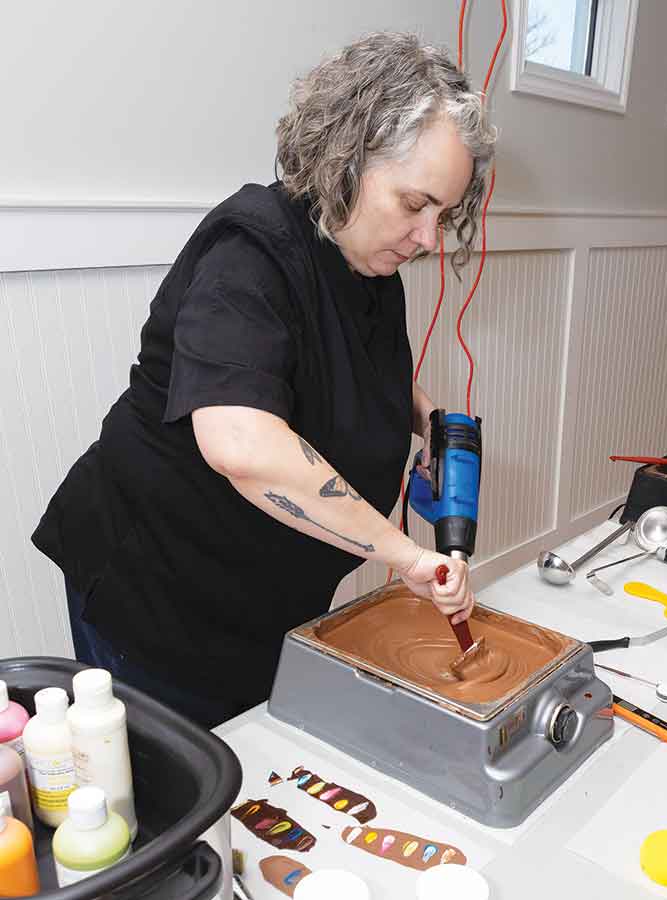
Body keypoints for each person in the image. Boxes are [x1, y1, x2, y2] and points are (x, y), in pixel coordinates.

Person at [32, 32, 496, 727]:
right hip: (161, 590)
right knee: (188, 787)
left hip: (264, 594)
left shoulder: (367, 260)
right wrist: (404, 556)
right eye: (413, 203)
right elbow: (240, 442)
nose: (428, 237)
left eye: (443, 214)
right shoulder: (250, 251)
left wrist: (424, 418)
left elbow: (355, 363)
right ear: (348, 159)